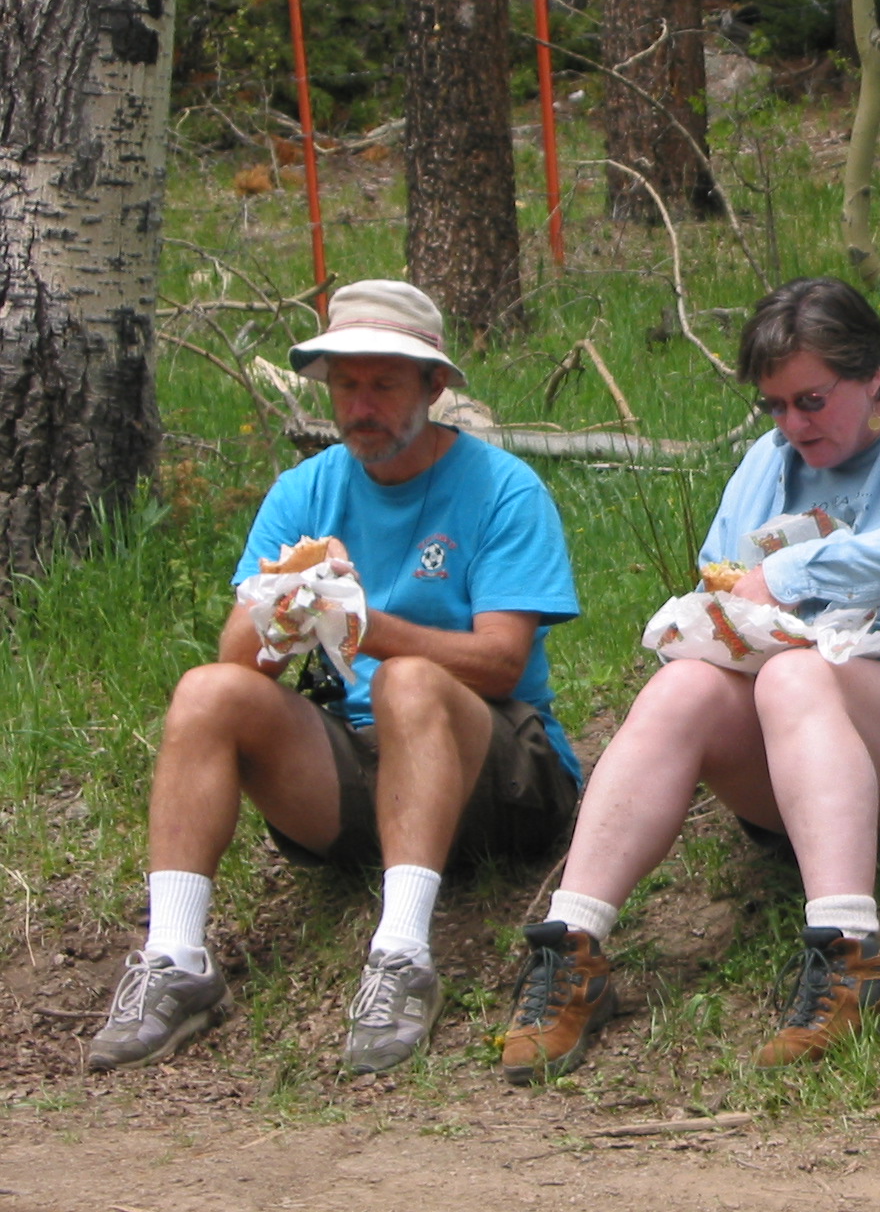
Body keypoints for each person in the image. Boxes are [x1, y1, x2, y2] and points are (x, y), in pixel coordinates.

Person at [501, 276, 880, 1083]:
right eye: (774, 408)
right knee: (681, 687)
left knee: (797, 677)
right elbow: (723, 581)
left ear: (875, 377)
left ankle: (848, 955)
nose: (792, 426)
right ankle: (573, 947)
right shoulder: (772, 460)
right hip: (791, 726)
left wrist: (796, 574)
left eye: (811, 401)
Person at [90, 281, 584, 1076]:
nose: (362, 405)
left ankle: (403, 955)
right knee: (205, 693)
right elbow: (234, 664)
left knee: (407, 683)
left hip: (505, 781)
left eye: (385, 383)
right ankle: (175, 961)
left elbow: (502, 661)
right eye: (346, 384)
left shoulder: (502, 489)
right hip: (358, 773)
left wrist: (367, 628)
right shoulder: (305, 492)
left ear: (436, 387)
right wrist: (283, 623)